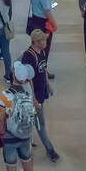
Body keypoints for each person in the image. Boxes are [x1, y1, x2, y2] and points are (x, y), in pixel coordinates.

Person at [0, 60, 37, 171]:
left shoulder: (5, 95)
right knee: (28, 168)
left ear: (13, 74)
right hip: (25, 136)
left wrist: (1, 131)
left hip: (9, 138)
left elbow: (1, 117)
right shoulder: (28, 94)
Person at [21, 31, 59, 163]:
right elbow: (27, 80)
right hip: (34, 97)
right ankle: (50, 150)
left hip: (40, 93)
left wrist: (48, 86)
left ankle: (27, 141)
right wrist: (33, 99)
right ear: (35, 42)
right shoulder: (28, 57)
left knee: (31, 121)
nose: (45, 42)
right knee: (40, 124)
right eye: (42, 40)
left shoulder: (41, 52)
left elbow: (43, 72)